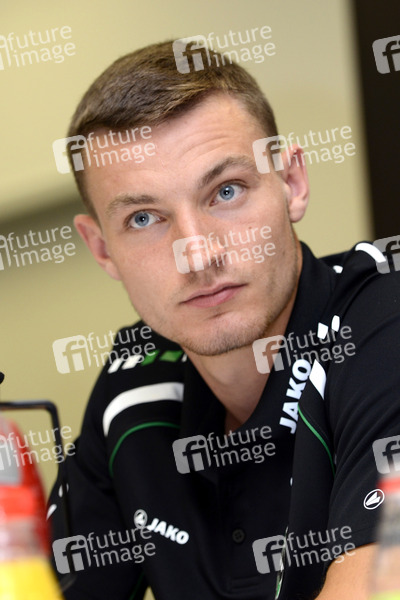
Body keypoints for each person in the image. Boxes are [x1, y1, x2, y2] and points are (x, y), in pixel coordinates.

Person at [48, 39, 400, 600]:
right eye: (144, 218)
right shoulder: (134, 382)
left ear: (292, 183)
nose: (197, 255)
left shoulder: (383, 324)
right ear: (102, 249)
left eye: (226, 192)